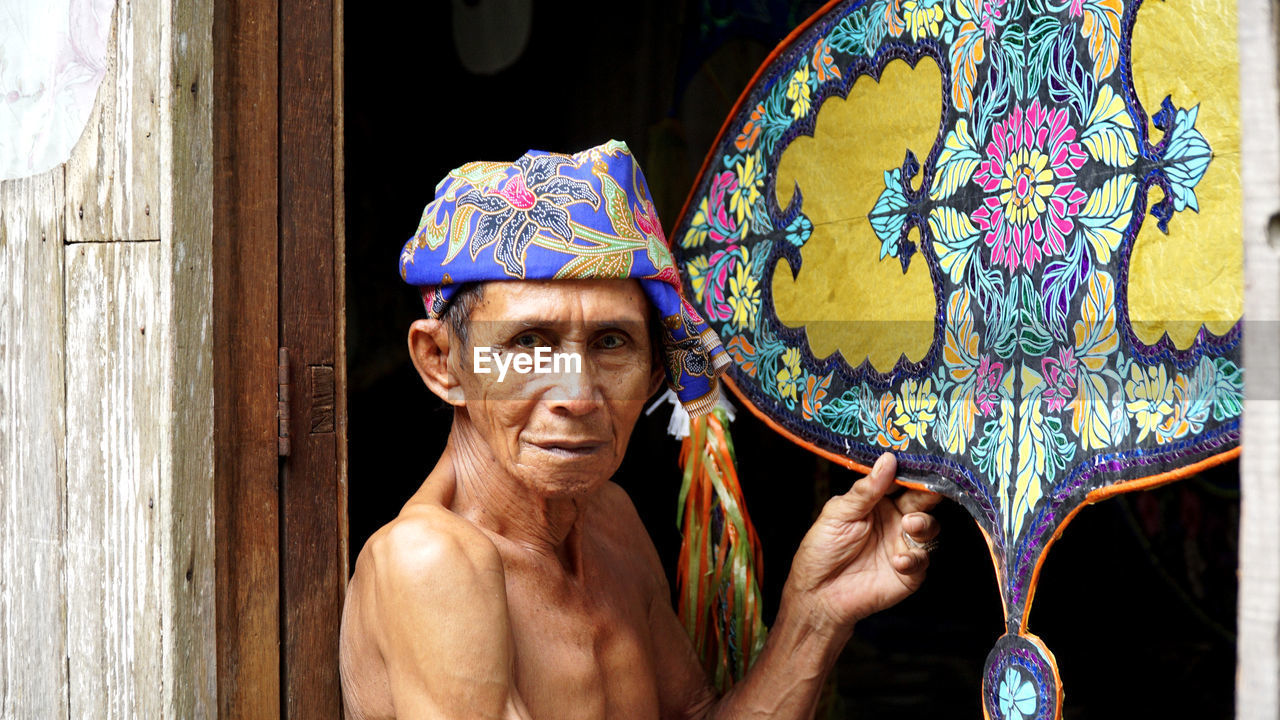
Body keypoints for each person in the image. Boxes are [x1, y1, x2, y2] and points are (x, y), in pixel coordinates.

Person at [339, 141, 942, 719]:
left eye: (610, 343)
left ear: (657, 371)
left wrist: (817, 611)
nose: (577, 396)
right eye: (528, 343)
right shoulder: (432, 562)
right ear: (442, 363)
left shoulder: (608, 519)